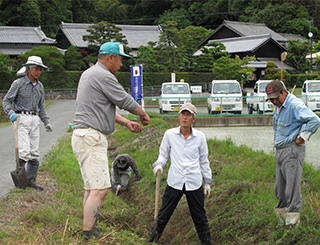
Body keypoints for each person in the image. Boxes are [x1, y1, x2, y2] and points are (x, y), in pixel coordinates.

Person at [71, 41, 150, 241]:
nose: (122, 65)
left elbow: (101, 108)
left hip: (82, 135)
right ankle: (89, 234)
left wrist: (126, 123)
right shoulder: (103, 75)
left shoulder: (89, 74)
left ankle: (89, 227)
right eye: (121, 60)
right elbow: (124, 100)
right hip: (91, 136)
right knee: (100, 189)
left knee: (91, 188)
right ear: (111, 57)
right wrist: (142, 114)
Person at [149, 103, 213, 245]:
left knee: (200, 218)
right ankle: (151, 241)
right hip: (175, 181)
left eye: (188, 115)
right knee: (162, 216)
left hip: (194, 182)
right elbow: (163, 154)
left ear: (193, 119)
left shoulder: (200, 137)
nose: (185, 117)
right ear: (179, 116)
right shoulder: (170, 135)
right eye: (183, 114)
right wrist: (159, 165)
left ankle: (206, 242)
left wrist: (207, 182)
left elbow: (204, 161)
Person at [266, 80, 320, 228]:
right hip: (280, 150)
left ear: (284, 92)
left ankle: (292, 224)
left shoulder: (294, 105)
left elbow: (314, 120)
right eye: (271, 99)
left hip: (292, 151)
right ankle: (282, 221)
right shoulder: (278, 107)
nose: (274, 101)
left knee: (292, 188)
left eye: (276, 97)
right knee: (280, 189)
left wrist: (302, 136)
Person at [3, 56, 53, 191]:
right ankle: (20, 181)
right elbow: (6, 100)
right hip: (21, 118)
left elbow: (41, 106)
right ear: (28, 69)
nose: (39, 72)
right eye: (36, 69)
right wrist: (10, 113)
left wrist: (46, 121)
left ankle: (31, 181)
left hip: (34, 119)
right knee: (24, 151)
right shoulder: (18, 83)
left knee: (34, 151)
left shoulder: (40, 86)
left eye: (40, 69)